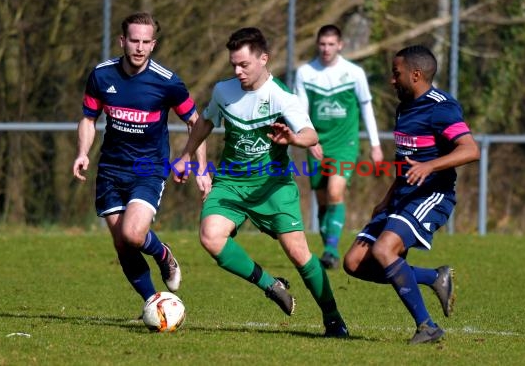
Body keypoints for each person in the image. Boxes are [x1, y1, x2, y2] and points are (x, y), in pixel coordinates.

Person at [171, 27, 348, 337]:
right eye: (233, 65)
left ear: (263, 59)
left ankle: (333, 318)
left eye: (244, 65)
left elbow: (311, 134)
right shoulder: (223, 91)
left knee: (299, 254)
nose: (237, 71)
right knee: (211, 237)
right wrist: (187, 156)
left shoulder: (281, 96)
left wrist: (293, 137)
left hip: (273, 186)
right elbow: (204, 123)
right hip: (231, 183)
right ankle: (270, 285)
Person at [343, 45, 480, 344]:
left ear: (415, 75)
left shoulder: (441, 107)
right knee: (354, 262)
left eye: (396, 74)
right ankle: (434, 277)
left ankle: (427, 327)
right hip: (403, 194)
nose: (392, 80)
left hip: (433, 195)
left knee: (383, 251)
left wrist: (430, 166)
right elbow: (404, 159)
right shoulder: (403, 107)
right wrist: (387, 195)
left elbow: (471, 149)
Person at [72, 12, 211, 308]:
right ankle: (154, 303)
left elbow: (196, 122)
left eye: (146, 42)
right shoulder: (101, 75)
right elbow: (88, 118)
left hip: (148, 168)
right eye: (134, 40)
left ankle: (163, 255)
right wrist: (83, 153)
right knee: (122, 244)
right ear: (123, 40)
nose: (139, 47)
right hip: (110, 170)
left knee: (133, 234)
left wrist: (199, 166)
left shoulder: (168, 82)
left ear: (154, 44)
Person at [294, 24, 384, 269]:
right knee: (323, 201)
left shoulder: (353, 73)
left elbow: (366, 106)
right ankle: (329, 249)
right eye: (322, 44)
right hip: (317, 144)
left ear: (340, 45)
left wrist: (375, 145)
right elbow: (300, 112)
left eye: (331, 44)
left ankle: (332, 250)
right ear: (317, 45)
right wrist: (309, 140)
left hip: (345, 143)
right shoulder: (305, 73)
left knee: (335, 192)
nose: (326, 49)